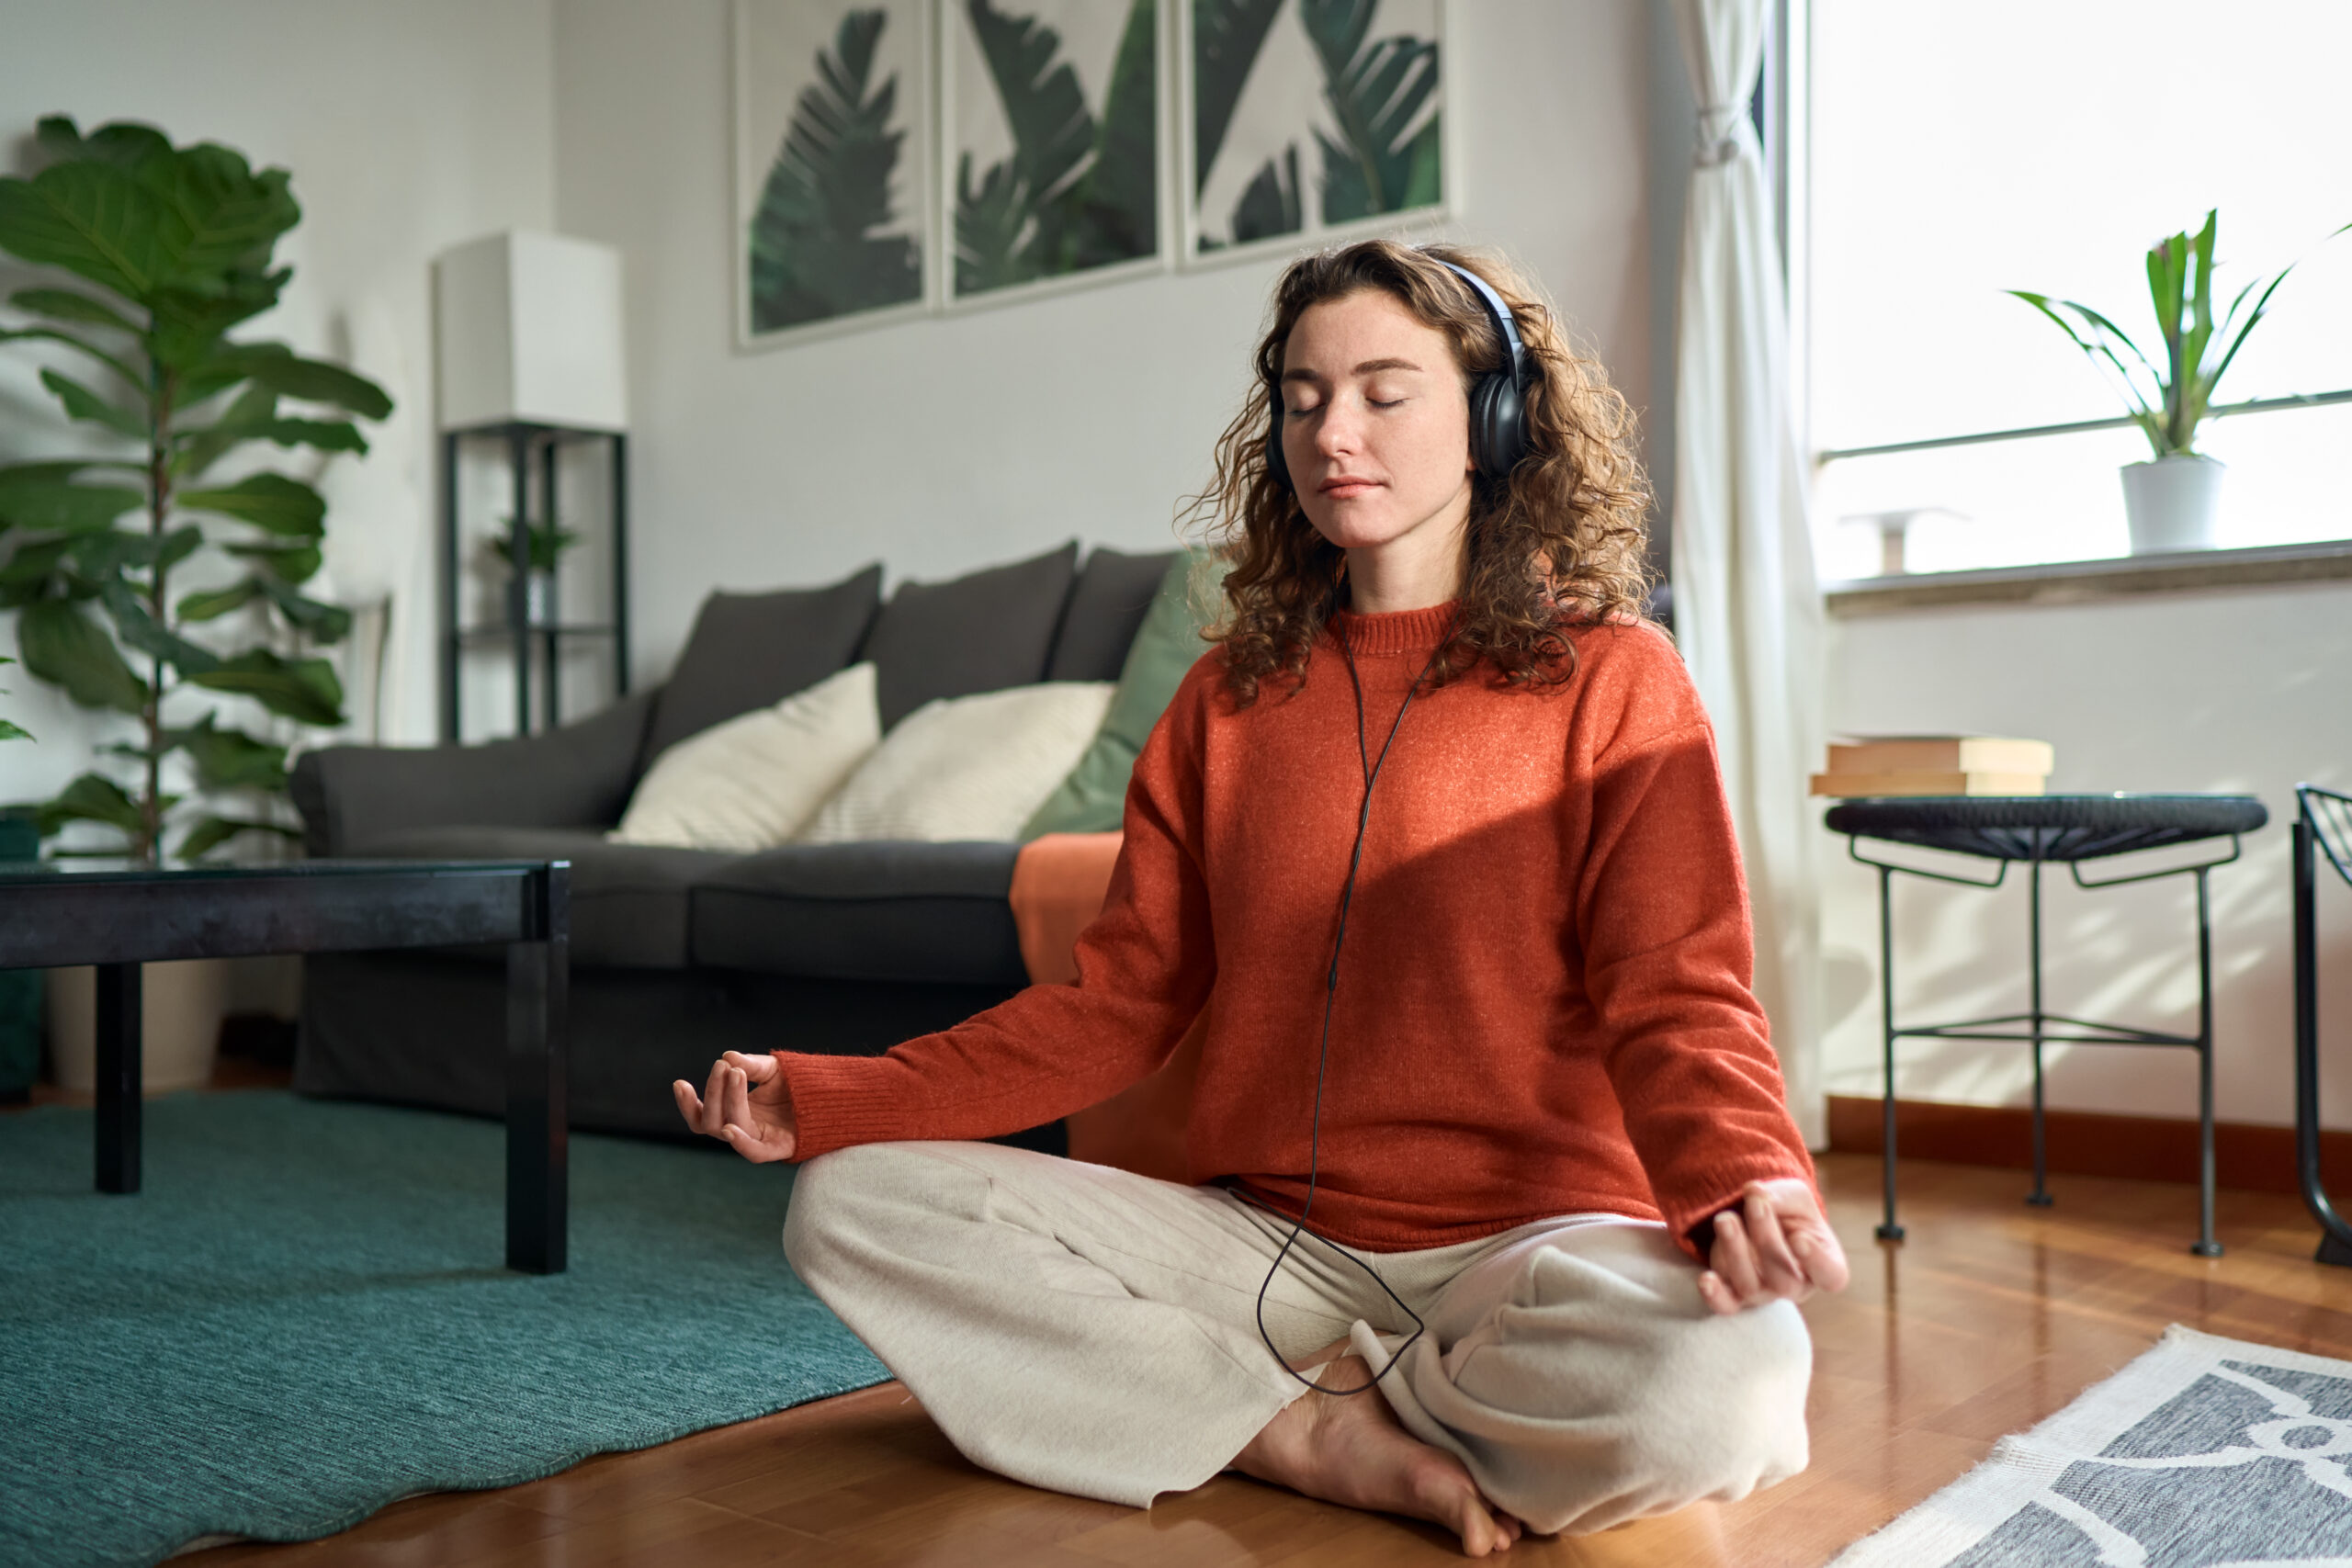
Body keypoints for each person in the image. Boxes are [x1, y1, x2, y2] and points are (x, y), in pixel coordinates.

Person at [674, 239, 1848, 1557]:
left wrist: (1743, 1175)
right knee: (852, 1206)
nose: (1333, 432)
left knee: (1737, 1377)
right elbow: (1113, 1011)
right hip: (1262, 1248)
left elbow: (1677, 986)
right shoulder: (1222, 702)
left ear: (1494, 419)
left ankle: (1233, 1401)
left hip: (1533, 1250)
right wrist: (836, 1099)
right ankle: (1308, 1435)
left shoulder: (1619, 678)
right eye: (1301, 399)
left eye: (1384, 393)